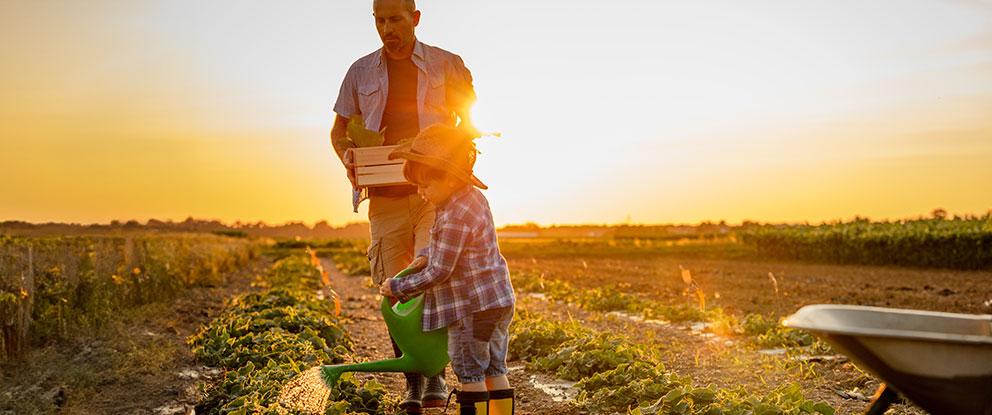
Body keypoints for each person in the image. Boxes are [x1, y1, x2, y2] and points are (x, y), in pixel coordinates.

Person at [329, 0, 478, 412]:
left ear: (414, 19)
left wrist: (451, 150)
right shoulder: (360, 72)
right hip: (385, 198)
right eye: (379, 21)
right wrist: (348, 156)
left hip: (435, 194)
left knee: (433, 277)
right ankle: (413, 380)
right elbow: (339, 131)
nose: (387, 28)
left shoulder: (448, 64)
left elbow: (469, 120)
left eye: (395, 19)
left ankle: (435, 375)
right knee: (395, 289)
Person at [379, 124, 516, 415]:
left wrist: (398, 287)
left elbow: (440, 271)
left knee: (470, 373)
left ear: (449, 178)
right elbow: (452, 247)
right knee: (494, 368)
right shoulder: (470, 201)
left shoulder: (454, 213)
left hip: (471, 308)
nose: (420, 192)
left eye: (425, 185)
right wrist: (423, 256)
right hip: (497, 302)